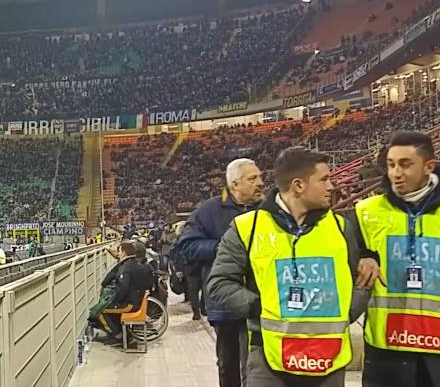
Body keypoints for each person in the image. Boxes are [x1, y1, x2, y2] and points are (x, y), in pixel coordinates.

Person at [208, 147, 368, 386]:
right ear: (298, 185)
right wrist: (260, 307)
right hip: (269, 359)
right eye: (324, 179)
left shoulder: (341, 227)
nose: (331, 186)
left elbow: (361, 281)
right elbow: (219, 284)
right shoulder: (246, 228)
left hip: (328, 360)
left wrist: (344, 313)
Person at [353, 131, 440, 387]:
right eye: (391, 164)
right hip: (386, 348)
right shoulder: (366, 212)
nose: (395, 173)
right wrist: (363, 256)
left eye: (405, 164)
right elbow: (348, 253)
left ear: (428, 166)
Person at [176, 158, 264, 387]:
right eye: (252, 178)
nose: (260, 183)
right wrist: (222, 247)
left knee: (258, 365)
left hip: (261, 301)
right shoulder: (208, 210)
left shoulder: (267, 209)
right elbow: (186, 246)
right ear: (235, 184)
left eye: (260, 177)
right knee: (228, 364)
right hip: (224, 304)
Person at [91, 241, 154, 344]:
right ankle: (116, 333)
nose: (118, 254)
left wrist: (113, 300)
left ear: (124, 253)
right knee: (107, 307)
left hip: (130, 304)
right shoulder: (135, 264)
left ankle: (117, 335)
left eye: (119, 251)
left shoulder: (126, 268)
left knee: (100, 310)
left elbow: (122, 289)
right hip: (136, 299)